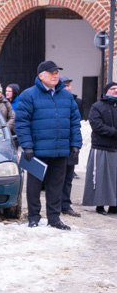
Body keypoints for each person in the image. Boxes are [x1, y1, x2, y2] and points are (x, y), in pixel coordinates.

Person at [15, 60, 82, 230]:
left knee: (56, 186)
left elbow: (74, 122)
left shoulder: (66, 96)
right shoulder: (28, 95)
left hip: (60, 150)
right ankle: (34, 217)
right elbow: (22, 122)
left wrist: (75, 144)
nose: (55, 76)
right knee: (34, 186)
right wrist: (27, 145)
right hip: (37, 150)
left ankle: (54, 218)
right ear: (41, 76)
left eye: (57, 73)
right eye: (52, 73)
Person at [82, 81, 117, 214]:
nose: (116, 91)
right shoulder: (97, 106)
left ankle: (114, 204)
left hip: (115, 147)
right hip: (101, 147)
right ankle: (100, 204)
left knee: (115, 179)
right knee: (100, 178)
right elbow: (97, 125)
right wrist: (114, 132)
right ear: (106, 91)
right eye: (113, 88)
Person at [61, 75, 83, 218]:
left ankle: (66, 205)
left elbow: (77, 125)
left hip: (70, 144)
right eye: (65, 85)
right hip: (56, 145)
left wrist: (76, 144)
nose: (68, 88)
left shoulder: (77, 102)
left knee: (68, 178)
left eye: (69, 85)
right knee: (55, 178)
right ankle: (54, 205)